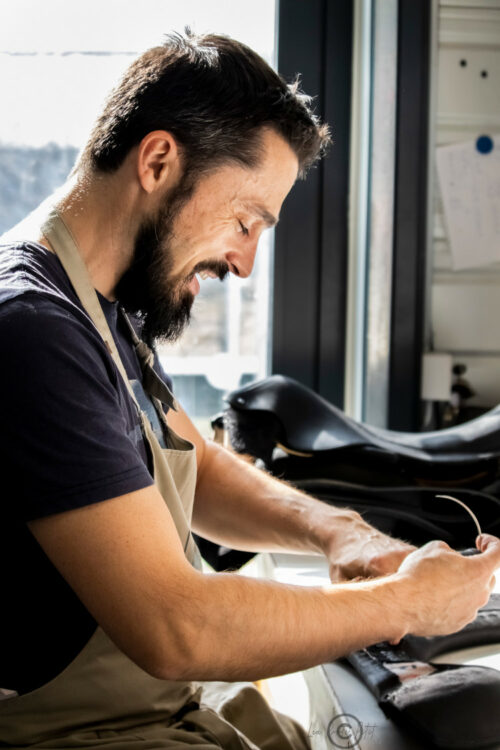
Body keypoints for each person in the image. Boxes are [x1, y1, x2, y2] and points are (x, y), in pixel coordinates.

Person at [0, 30, 498, 750]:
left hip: (154, 710)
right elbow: (178, 626)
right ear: (159, 161)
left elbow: (196, 463)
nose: (245, 263)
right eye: (245, 221)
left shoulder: (101, 311)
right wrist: (405, 601)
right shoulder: (32, 330)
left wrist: (341, 532)